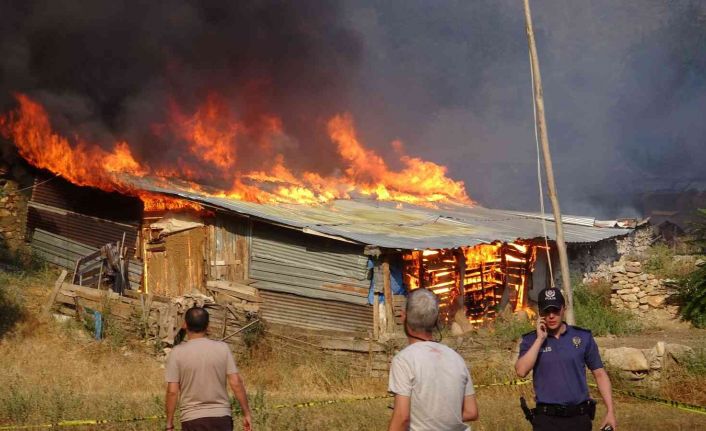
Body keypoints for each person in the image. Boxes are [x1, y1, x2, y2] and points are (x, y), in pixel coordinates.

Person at [515, 287, 617, 431]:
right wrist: (540, 340)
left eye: (555, 310)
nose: (551, 316)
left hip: (579, 418)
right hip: (547, 420)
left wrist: (610, 411)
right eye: (546, 311)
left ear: (564, 309)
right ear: (539, 313)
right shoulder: (531, 340)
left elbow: (599, 374)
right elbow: (521, 371)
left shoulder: (582, 337)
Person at [388, 288, 479, 431]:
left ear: (403, 317)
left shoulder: (404, 360)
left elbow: (402, 417)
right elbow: (471, 411)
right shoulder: (456, 358)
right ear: (436, 321)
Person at [165, 307, 253, 431]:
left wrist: (169, 422)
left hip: (192, 419)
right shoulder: (223, 348)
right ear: (208, 326)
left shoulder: (177, 353)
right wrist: (246, 413)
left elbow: (172, 391)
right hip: (221, 418)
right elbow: (236, 383)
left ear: (185, 324)